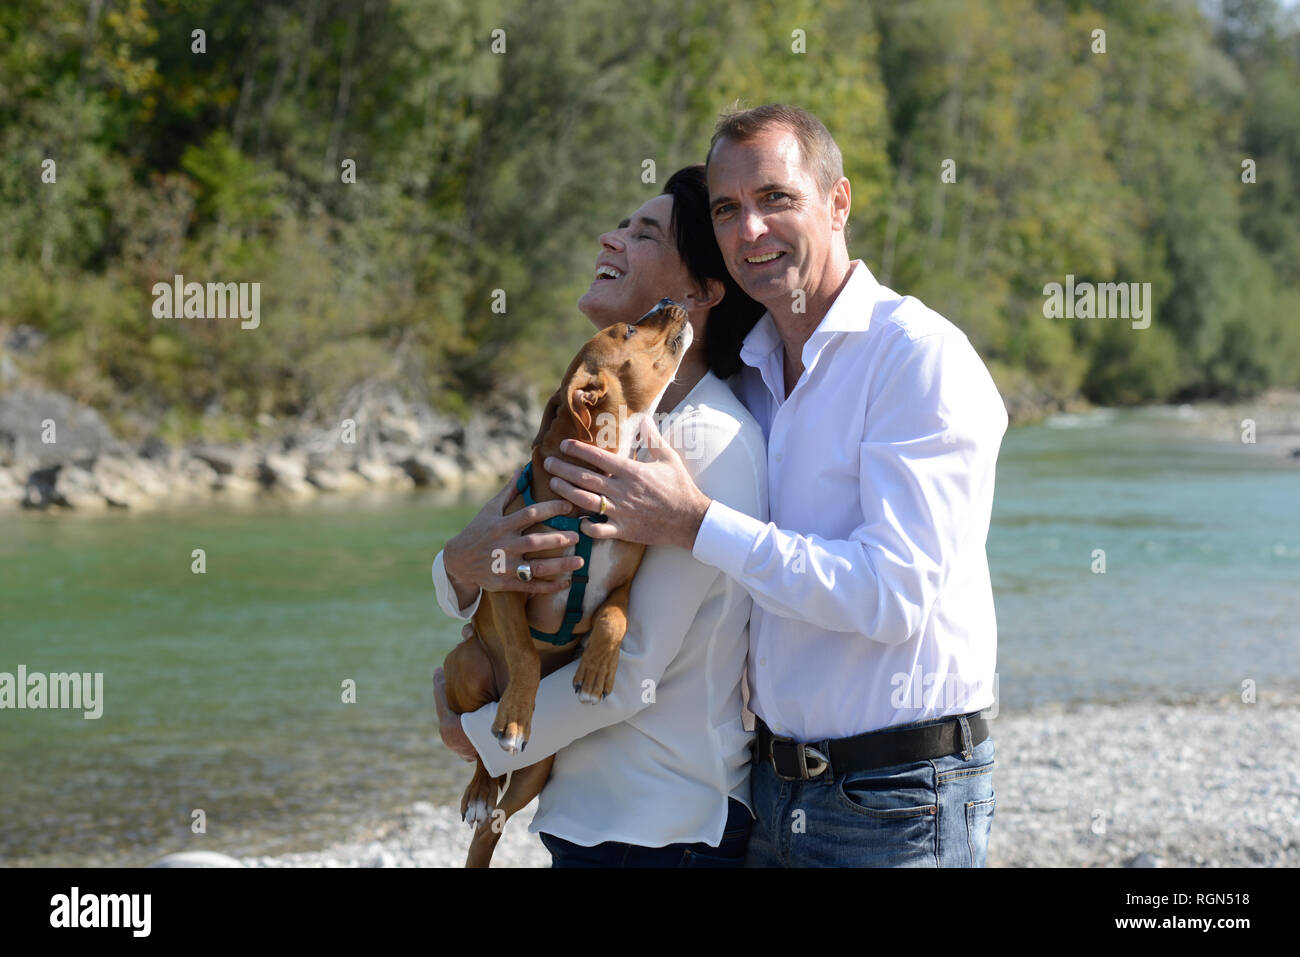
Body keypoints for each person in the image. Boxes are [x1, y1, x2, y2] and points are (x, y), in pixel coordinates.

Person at [545, 104, 1009, 867]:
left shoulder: (918, 358)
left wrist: (696, 522)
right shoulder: (755, 374)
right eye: (728, 209)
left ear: (839, 201)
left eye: (776, 199)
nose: (749, 230)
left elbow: (891, 596)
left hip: (898, 793)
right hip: (772, 789)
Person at [430, 165, 769, 866]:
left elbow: (633, 665)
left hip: (663, 827)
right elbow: (487, 553)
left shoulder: (710, 443)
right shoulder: (604, 426)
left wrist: (477, 733)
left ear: (699, 294)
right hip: (593, 817)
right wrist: (452, 570)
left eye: (641, 232)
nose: (607, 239)